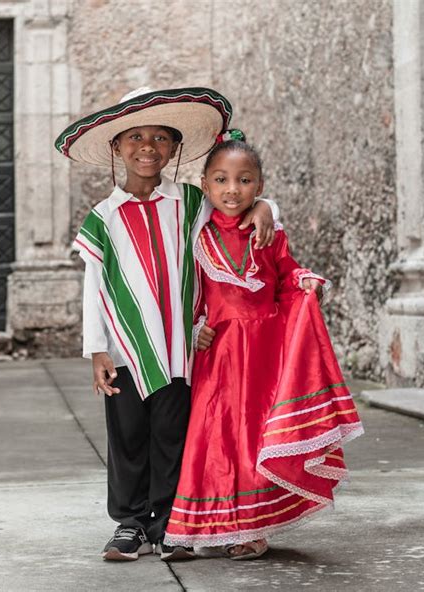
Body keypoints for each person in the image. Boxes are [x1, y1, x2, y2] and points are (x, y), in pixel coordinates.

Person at [54, 88, 278, 562]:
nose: (147, 146)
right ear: (117, 147)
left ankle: (169, 524)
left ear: (174, 148)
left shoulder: (191, 202)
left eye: (159, 137)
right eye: (135, 136)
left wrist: (266, 209)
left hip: (180, 348)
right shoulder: (104, 217)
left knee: (173, 437)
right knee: (128, 436)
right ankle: (130, 524)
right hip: (125, 350)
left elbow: (236, 203)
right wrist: (96, 349)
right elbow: (95, 285)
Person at [164, 131, 364, 560]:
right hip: (218, 355)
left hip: (265, 355)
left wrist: (305, 282)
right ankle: (203, 526)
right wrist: (196, 325)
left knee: (255, 438)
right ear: (205, 185)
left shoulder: (270, 233)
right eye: (220, 180)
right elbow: (190, 297)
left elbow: (288, 276)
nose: (232, 190)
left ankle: (252, 529)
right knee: (213, 439)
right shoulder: (195, 237)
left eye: (244, 180)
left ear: (260, 185)